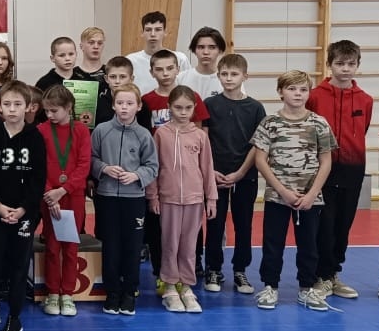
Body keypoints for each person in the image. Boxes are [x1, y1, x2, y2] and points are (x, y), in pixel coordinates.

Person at [251, 70, 337, 311]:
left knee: (309, 245)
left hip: (310, 198)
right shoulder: (270, 123)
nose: (298, 94)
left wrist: (312, 194)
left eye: (303, 89)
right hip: (277, 197)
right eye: (292, 89)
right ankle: (270, 286)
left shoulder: (319, 123)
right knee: (272, 243)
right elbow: (260, 160)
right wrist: (282, 191)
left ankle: (306, 288)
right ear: (280, 92)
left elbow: (326, 161)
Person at [0, 80, 46, 331]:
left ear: (28, 107)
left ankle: (14, 318)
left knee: (18, 267)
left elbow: (38, 180)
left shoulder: (35, 137)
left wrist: (24, 209)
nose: (13, 109)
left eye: (18, 104)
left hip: (24, 214)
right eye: (7, 104)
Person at [308, 39, 372, 300]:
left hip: (352, 169)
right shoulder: (314, 96)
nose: (345, 69)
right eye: (340, 63)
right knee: (324, 225)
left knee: (343, 225)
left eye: (351, 64)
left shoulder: (365, 100)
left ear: (357, 65)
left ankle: (333, 274)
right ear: (329, 64)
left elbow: (363, 129)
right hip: (322, 170)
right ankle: (321, 276)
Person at [90, 83, 159, 316]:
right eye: (120, 103)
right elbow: (91, 158)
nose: (124, 107)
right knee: (110, 246)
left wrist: (136, 175)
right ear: (113, 105)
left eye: (129, 103)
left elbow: (152, 166)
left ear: (138, 107)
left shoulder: (144, 134)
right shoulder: (101, 131)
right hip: (107, 197)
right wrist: (104, 168)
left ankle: (129, 293)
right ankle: (112, 293)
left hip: (134, 199)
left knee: (132, 247)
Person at [146, 87, 216, 313]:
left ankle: (186, 286)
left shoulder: (200, 136)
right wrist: (153, 196)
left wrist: (211, 198)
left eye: (188, 108)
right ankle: (169, 287)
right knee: (169, 243)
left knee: (189, 245)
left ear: (194, 108)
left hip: (195, 199)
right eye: (178, 108)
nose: (183, 112)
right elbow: (154, 167)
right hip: (169, 198)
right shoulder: (161, 134)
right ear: (169, 107)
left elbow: (207, 168)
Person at [203, 53, 264, 294]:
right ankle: (213, 269)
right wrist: (211, 171)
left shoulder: (255, 108)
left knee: (243, 224)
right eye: (224, 74)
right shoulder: (210, 104)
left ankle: (240, 270)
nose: (229, 78)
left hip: (245, 175)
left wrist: (240, 172)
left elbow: (258, 145)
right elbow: (203, 140)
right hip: (215, 175)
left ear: (244, 76)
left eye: (234, 74)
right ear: (218, 76)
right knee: (215, 224)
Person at [36, 84, 92, 317]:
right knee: (52, 246)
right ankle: (52, 293)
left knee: (70, 246)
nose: (49, 115)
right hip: (49, 196)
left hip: (73, 196)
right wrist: (51, 194)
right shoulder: (41, 130)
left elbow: (84, 165)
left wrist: (63, 190)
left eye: (54, 110)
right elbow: (38, 166)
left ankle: (67, 293)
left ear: (68, 107)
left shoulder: (81, 130)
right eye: (47, 110)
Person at [126, 11, 191, 94]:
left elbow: (189, 88)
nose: (153, 34)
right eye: (148, 30)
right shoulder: (130, 60)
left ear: (165, 32)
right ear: (142, 33)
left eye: (158, 30)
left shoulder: (180, 58)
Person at [178, 27, 227, 100]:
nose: (206, 52)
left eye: (212, 47)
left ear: (220, 51)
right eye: (201, 47)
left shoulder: (229, 79)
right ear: (194, 50)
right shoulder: (181, 78)